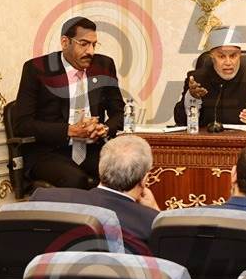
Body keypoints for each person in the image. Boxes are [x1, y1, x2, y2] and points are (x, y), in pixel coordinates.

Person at [12, 16, 125, 189]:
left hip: (92, 149)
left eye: (94, 45)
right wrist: (70, 130)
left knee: (125, 172)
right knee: (75, 179)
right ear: (65, 42)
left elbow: (119, 113)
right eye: (84, 44)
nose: (90, 51)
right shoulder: (37, 69)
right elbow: (22, 124)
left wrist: (104, 129)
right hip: (49, 152)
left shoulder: (103, 65)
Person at [30, 135, 161, 253]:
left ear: (100, 168)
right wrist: (157, 213)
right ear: (144, 179)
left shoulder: (44, 199)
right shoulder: (151, 223)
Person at [173, 26, 246, 129]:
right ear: (212, 57)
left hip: (245, 140)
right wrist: (192, 98)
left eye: (233, 56)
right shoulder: (197, 80)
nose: (228, 62)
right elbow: (180, 120)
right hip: (207, 140)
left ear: (239, 55)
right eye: (221, 56)